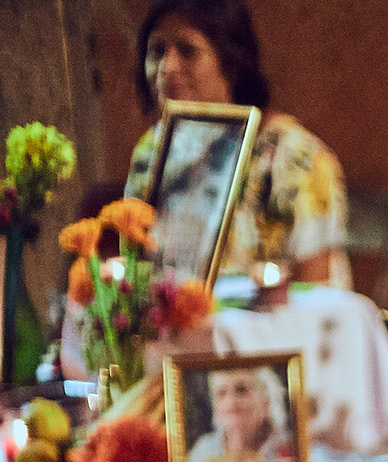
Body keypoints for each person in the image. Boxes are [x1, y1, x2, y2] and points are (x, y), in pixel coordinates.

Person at [124, 0, 351, 287]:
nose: (167, 67)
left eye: (188, 50)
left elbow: (317, 291)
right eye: (157, 51)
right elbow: (137, 265)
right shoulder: (152, 150)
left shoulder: (294, 156)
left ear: (232, 62)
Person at [187, 364, 298, 462]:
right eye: (221, 393)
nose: (231, 403)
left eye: (241, 390)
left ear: (267, 401)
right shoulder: (202, 452)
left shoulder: (292, 449)